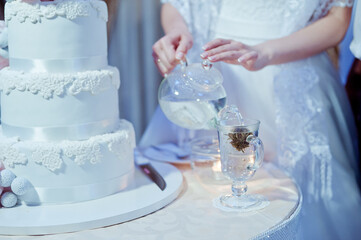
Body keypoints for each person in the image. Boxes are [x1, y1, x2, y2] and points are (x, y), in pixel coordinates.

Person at [142, 0, 361, 239]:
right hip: (208, 82)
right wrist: (177, 30)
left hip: (287, 75)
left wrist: (265, 52)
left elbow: (338, 21)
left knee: (297, 207)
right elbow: (176, 4)